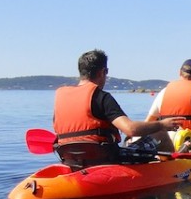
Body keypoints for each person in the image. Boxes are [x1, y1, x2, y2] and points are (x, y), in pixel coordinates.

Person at [53, 49, 182, 168]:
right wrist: (161, 124)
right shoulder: (101, 96)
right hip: (106, 160)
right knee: (160, 134)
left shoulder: (61, 97)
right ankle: (172, 171)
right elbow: (130, 129)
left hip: (72, 160)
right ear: (103, 72)